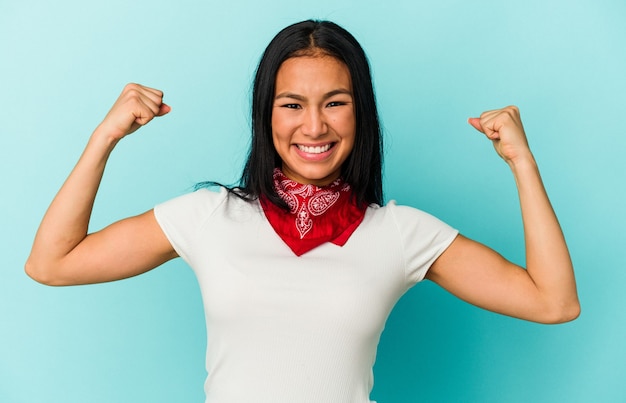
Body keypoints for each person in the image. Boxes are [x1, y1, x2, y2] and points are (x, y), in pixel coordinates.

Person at [25, 20, 579, 402]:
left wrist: (521, 163)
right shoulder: (208, 217)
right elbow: (52, 263)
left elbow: (553, 301)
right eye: (292, 105)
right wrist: (105, 137)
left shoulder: (402, 233)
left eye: (335, 103)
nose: (314, 127)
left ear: (361, 112)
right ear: (266, 114)